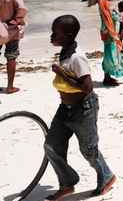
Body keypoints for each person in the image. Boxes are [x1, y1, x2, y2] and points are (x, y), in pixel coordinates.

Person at [45, 15, 116, 200]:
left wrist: (62, 74)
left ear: (68, 35)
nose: (51, 37)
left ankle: (106, 176)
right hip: (65, 108)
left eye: (56, 33)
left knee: (89, 150)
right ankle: (67, 184)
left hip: (83, 109)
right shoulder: (65, 51)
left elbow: (87, 87)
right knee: (51, 145)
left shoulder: (77, 57)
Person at [90, 0, 123, 84]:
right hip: (109, 32)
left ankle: (107, 75)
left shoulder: (102, 2)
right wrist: (120, 16)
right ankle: (107, 77)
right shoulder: (105, 4)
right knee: (111, 54)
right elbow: (115, 17)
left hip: (107, 31)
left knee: (109, 53)